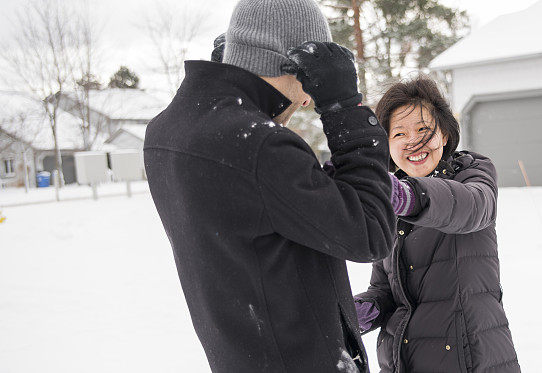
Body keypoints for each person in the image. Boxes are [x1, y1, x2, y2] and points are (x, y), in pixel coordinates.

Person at [143, 0, 397, 371]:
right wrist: (345, 108)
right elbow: (370, 232)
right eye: (313, 76)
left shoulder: (165, 131)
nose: (310, 98)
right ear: (290, 62)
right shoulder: (259, 146)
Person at [353, 77, 521, 372]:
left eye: (422, 129)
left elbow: (471, 207)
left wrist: (408, 196)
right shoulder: (391, 202)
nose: (413, 141)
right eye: (399, 133)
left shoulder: (471, 174)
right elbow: (386, 289)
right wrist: (359, 312)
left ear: (443, 134)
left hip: (471, 362)